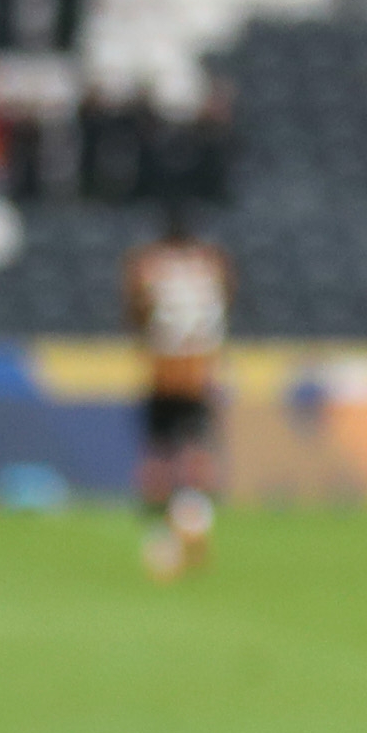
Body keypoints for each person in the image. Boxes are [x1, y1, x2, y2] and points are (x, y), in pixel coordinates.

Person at [121, 210, 231, 580]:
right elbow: (228, 299)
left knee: (161, 448)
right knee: (196, 447)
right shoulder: (210, 264)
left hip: (166, 368)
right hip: (201, 368)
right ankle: (197, 517)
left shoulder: (149, 265)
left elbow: (136, 306)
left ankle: (162, 519)